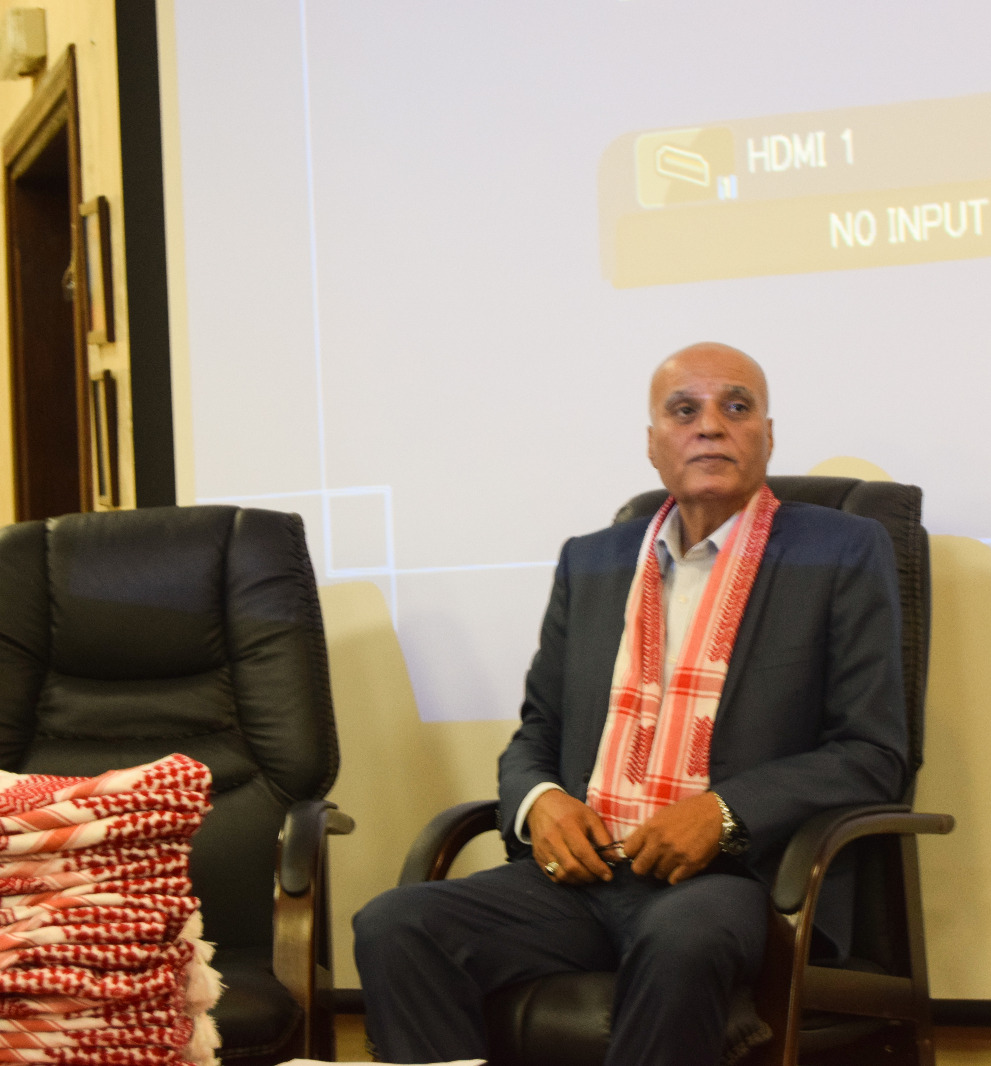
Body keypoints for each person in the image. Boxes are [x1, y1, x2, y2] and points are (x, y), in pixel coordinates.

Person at [352, 342, 908, 1065]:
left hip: (734, 882)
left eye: (736, 407)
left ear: (768, 436)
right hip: (586, 877)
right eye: (684, 410)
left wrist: (723, 813)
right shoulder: (594, 560)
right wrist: (541, 803)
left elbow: (872, 754)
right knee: (396, 924)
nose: (710, 425)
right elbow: (537, 732)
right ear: (653, 444)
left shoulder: (841, 550)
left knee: (681, 937)